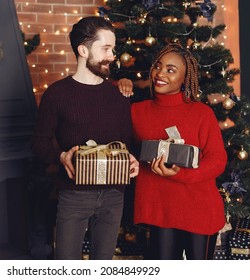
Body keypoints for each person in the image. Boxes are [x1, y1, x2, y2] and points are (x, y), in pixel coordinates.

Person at [31, 16, 139, 260]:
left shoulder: (119, 95)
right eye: (106, 48)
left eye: (113, 49)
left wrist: (132, 161)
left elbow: (126, 144)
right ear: (83, 49)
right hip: (73, 195)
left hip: (113, 195)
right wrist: (60, 156)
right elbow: (39, 141)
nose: (113, 56)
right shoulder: (56, 94)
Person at [131, 43, 227, 260]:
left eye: (171, 70)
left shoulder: (202, 113)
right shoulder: (137, 111)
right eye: (158, 66)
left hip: (199, 210)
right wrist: (120, 84)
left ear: (185, 78)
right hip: (160, 211)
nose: (160, 74)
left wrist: (181, 174)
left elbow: (218, 160)